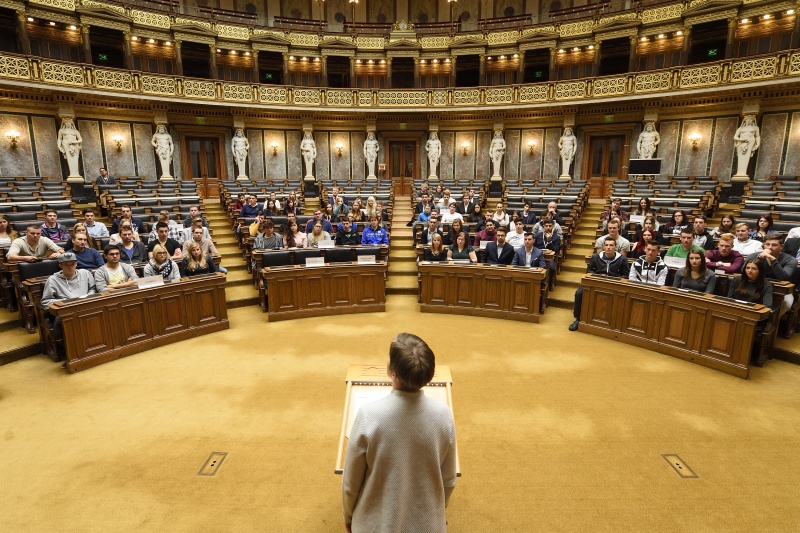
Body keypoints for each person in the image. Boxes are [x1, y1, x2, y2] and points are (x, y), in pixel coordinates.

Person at [342, 333, 456, 533]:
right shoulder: (443, 415)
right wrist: (437, 510)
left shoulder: (368, 415)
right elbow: (449, 480)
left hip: (377, 526)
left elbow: (351, 483)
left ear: (392, 373)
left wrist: (349, 516)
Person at [570, 238, 630, 331]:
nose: (608, 247)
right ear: (603, 247)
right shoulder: (595, 257)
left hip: (614, 285)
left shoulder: (622, 259)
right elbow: (589, 271)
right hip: (595, 283)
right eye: (606, 245)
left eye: (611, 245)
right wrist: (597, 276)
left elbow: (626, 275)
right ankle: (578, 319)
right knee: (579, 293)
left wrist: (614, 279)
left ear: (616, 247)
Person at [40, 252, 96, 349]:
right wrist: (65, 301)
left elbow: (93, 288)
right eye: (66, 265)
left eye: (72, 264)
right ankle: (72, 349)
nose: (70, 267)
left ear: (76, 264)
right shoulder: (53, 280)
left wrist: (88, 296)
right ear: (60, 266)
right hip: (67, 309)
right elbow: (45, 300)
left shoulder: (85, 273)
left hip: (86, 304)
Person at [745, 234, 797, 316]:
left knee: (786, 304)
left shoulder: (790, 260)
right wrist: (759, 258)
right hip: (757, 286)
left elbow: (783, 277)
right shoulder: (754, 256)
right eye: (767, 244)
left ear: (781, 246)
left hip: (781, 291)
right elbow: (743, 271)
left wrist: (772, 259)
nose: (769, 247)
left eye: (774, 245)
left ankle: (771, 325)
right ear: (764, 245)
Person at [535, 220, 560, 289]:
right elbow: (534, 247)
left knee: (551, 268)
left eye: (550, 226)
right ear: (543, 227)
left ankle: (549, 283)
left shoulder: (556, 237)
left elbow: (556, 250)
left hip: (549, 258)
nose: (548, 227)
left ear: (553, 227)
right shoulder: (538, 235)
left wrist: (549, 241)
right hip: (538, 256)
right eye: (546, 226)